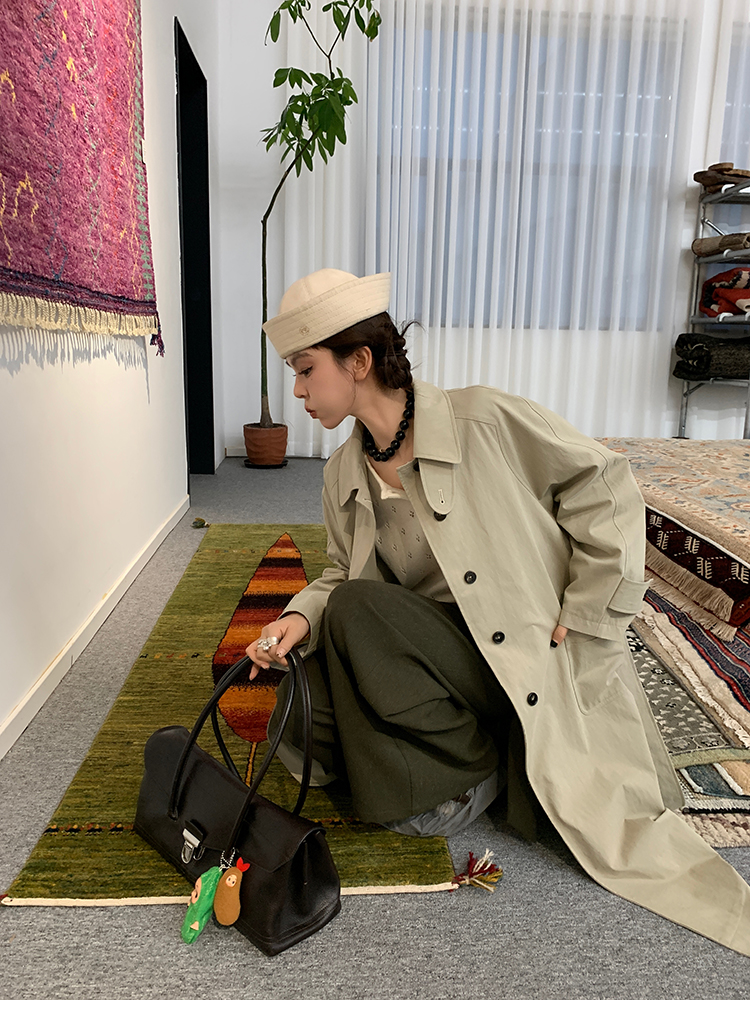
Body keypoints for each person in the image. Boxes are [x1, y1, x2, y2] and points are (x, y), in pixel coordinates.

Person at [246, 268, 750, 957]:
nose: (298, 391)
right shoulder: (342, 473)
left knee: (359, 617)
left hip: (511, 654)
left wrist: (592, 606)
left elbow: (604, 482)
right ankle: (457, 764)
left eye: (306, 370)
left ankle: (486, 764)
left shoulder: (484, 420)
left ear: (358, 361)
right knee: (299, 710)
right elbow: (340, 571)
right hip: (428, 654)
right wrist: (298, 619)